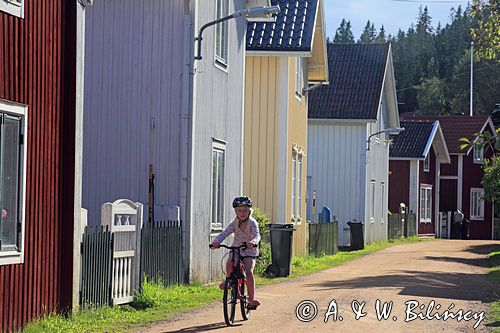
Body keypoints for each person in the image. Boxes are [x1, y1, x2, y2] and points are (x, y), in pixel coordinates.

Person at [210, 196, 261, 309]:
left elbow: (257, 234)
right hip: (237, 248)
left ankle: (251, 299)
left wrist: (253, 242)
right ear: (235, 211)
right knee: (230, 263)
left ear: (249, 211)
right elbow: (225, 233)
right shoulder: (234, 223)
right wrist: (216, 242)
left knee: (248, 271)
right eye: (239, 210)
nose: (242, 213)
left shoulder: (252, 223)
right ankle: (229, 282)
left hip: (249, 250)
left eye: (244, 210)